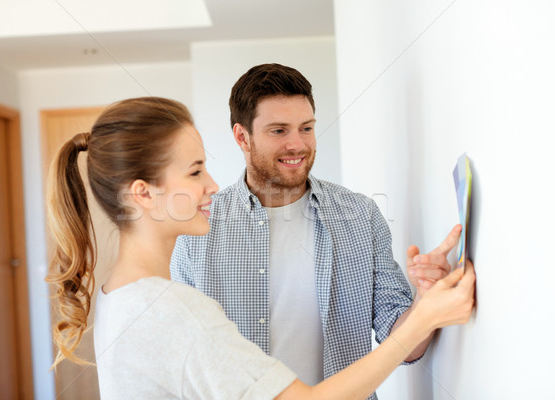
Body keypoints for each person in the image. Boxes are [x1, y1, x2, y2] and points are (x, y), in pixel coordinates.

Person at [46, 96, 475, 400]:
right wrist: (428, 316)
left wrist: (421, 306)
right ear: (143, 194)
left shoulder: (118, 292)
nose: (211, 185)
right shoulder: (175, 308)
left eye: (306, 127)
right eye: (195, 171)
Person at [171, 63, 461, 395]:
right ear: (242, 137)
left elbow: (405, 347)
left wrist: (425, 298)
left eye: (306, 128)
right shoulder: (198, 230)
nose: (297, 145)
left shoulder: (361, 217)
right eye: (278, 131)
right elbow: (186, 361)